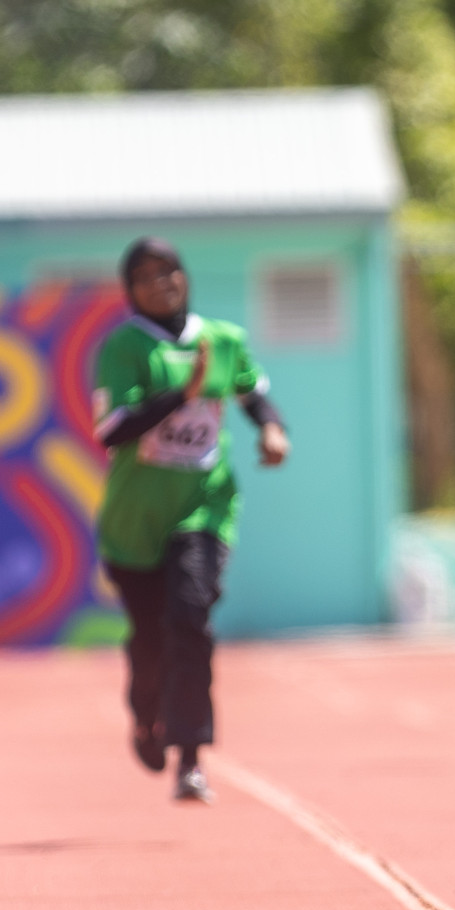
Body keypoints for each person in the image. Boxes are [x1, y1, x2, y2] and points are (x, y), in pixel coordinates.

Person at [93, 237, 290, 802]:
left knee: (189, 621)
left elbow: (255, 395)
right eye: (147, 275)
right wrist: (186, 392)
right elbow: (113, 430)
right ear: (130, 289)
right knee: (152, 637)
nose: (163, 282)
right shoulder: (125, 347)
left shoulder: (222, 339)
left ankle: (190, 756)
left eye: (170, 270)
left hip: (204, 507)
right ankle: (145, 711)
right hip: (136, 521)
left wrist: (273, 430)